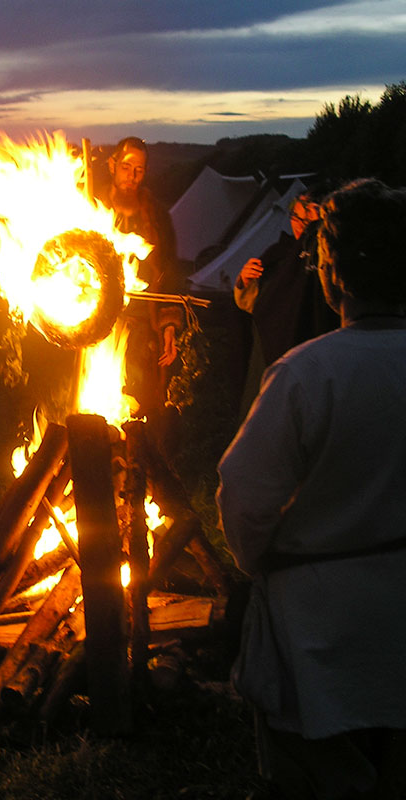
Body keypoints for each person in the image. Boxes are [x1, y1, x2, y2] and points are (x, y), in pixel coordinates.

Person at [217, 178, 406, 799]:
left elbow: (244, 493)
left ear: (333, 274)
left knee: (323, 766)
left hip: (321, 624)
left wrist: (262, 562)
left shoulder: (305, 374)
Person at [95, 137, 185, 454]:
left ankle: (137, 467)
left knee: (138, 405)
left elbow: (170, 275)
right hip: (95, 327)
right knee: (92, 397)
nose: (132, 176)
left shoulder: (156, 217)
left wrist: (169, 325)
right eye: (126, 167)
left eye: (139, 169)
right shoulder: (90, 209)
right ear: (112, 166)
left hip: (141, 330)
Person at [234, 190, 340, 416]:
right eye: (295, 217)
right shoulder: (279, 252)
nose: (300, 224)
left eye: (307, 219)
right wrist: (245, 281)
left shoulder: (328, 257)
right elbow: (253, 304)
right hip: (269, 347)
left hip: (309, 350)